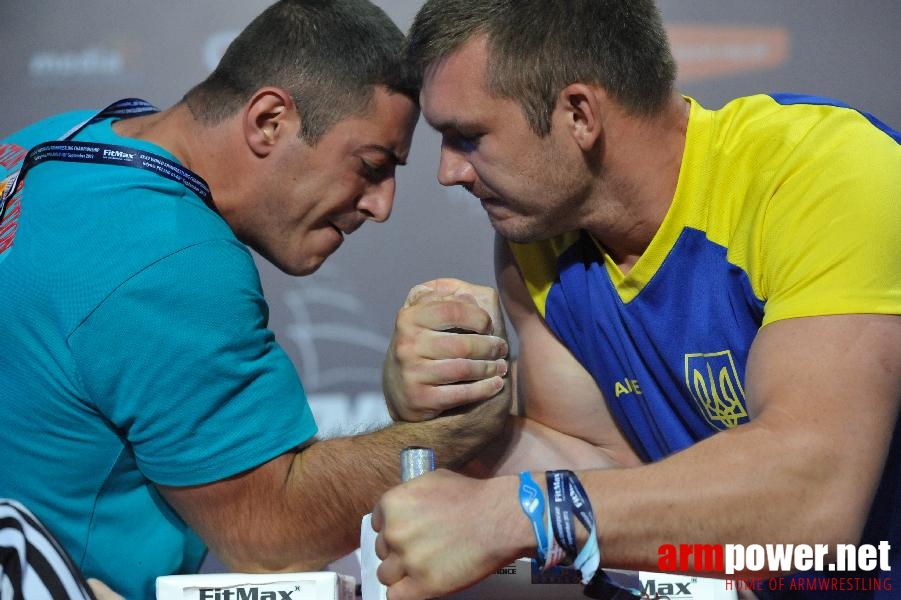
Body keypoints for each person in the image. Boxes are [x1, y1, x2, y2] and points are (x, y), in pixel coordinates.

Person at [373, 0, 901, 599]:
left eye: (467, 137)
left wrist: (508, 516)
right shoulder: (537, 245)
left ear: (579, 114)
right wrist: (443, 404)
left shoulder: (825, 174)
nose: (448, 172)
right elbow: (607, 472)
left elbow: (813, 504)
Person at [0, 1, 510, 598]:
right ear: (269, 121)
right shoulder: (171, 256)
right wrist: (463, 428)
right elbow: (272, 531)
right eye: (371, 166)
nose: (381, 205)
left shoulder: (54, 141)